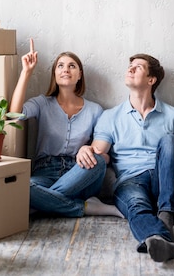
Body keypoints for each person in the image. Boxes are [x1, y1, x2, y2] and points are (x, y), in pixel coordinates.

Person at [76, 53, 174, 263]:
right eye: (130, 66)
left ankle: (165, 215)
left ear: (151, 79)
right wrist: (86, 150)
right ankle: (158, 238)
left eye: (137, 67)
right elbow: (100, 153)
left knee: (168, 140)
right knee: (136, 207)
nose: (130, 69)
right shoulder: (110, 116)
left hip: (163, 181)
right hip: (130, 181)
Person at [9, 38, 123, 218]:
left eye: (72, 66)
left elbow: (106, 157)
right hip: (44, 172)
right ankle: (85, 207)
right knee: (22, 186)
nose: (66, 69)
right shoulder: (42, 103)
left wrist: (88, 149)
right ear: (54, 74)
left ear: (79, 75)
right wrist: (26, 72)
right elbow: (13, 115)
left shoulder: (95, 110)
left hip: (79, 173)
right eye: (60, 66)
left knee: (98, 161)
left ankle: (42, 204)